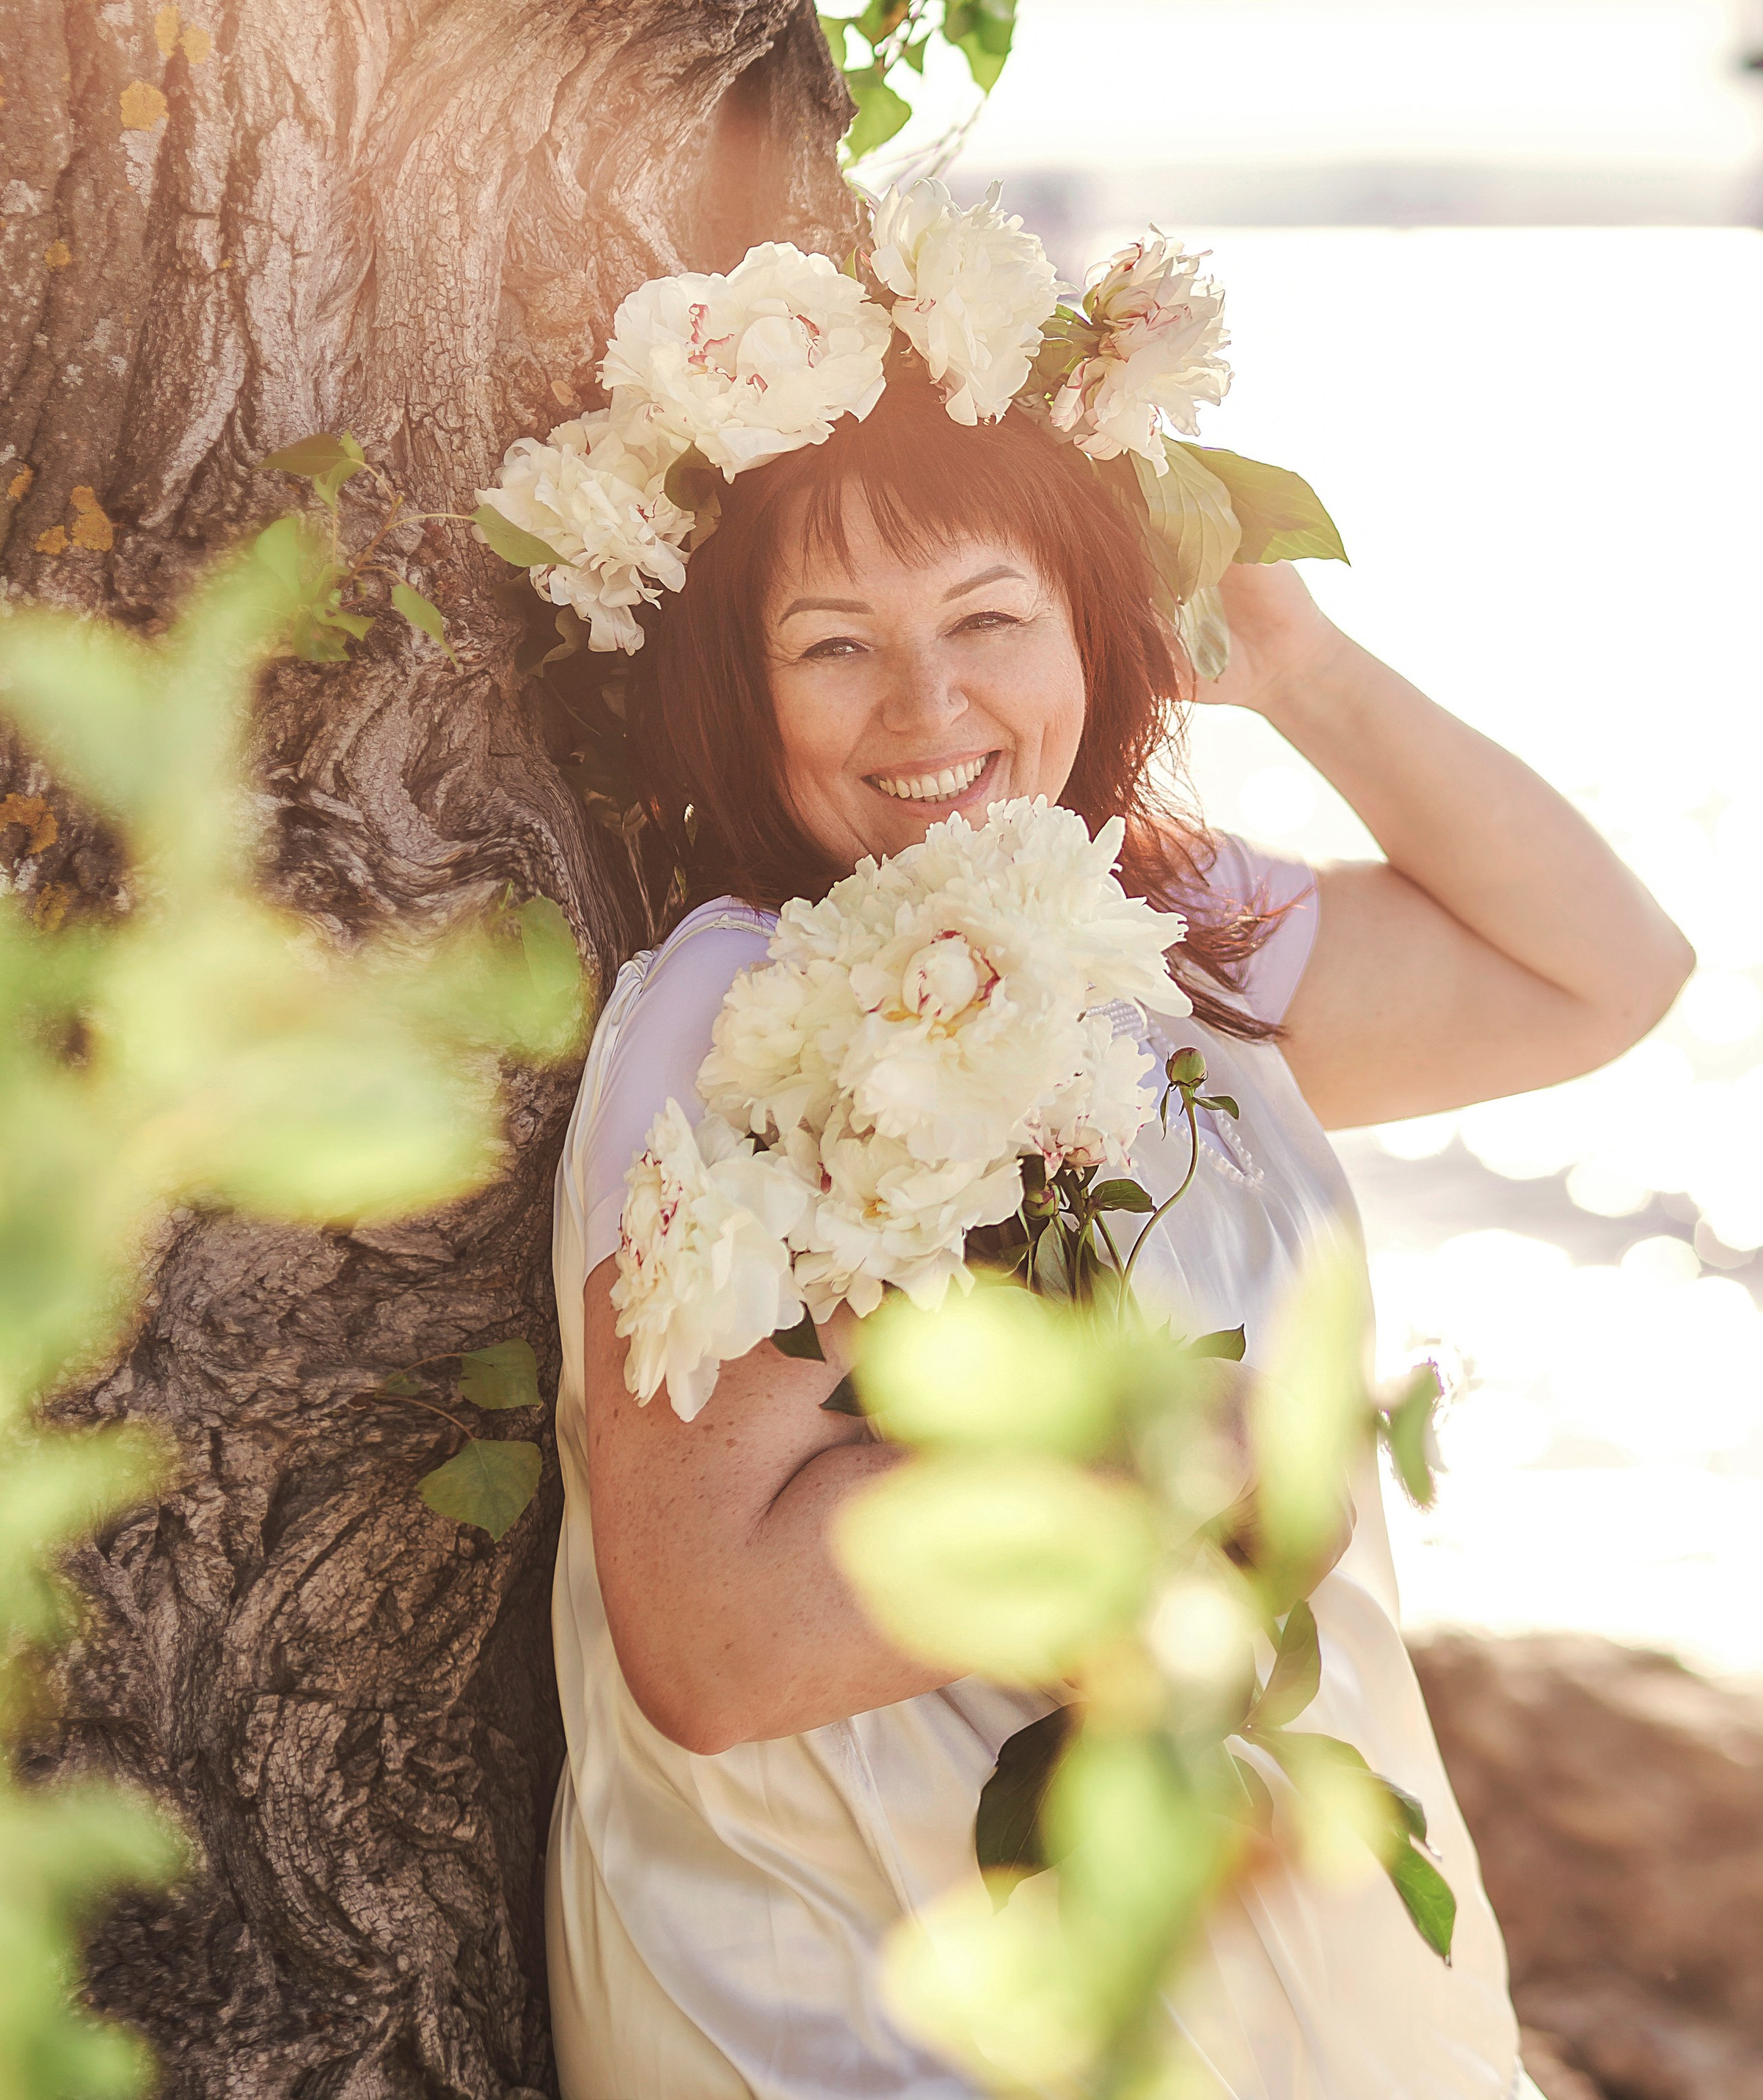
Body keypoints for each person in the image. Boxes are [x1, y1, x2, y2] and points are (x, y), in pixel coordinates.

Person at [536, 335, 1693, 2100]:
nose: (925, 708)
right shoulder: (749, 1010)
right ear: (738, 691)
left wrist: (1293, 662)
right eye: (832, 645)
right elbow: (710, 1641)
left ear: (1095, 631)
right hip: (881, 1980)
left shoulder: (1158, 931)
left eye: (989, 617)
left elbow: (1601, 975)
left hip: (1229, 1923)